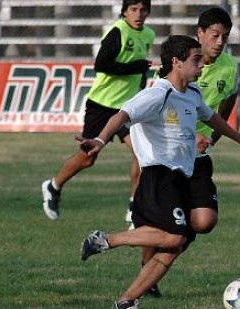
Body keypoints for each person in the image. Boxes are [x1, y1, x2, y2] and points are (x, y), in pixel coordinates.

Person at [76, 35, 240, 309]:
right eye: (196, 59)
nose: (202, 64)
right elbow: (121, 116)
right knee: (173, 236)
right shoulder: (158, 93)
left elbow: (211, 117)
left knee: (171, 249)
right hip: (158, 175)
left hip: (181, 177)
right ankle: (105, 240)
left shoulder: (191, 94)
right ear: (176, 63)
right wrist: (99, 140)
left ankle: (126, 302)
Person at [138, 7, 239, 298]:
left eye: (225, 37)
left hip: (198, 156)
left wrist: (214, 137)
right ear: (200, 34)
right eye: (215, 35)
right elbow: (155, 109)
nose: (220, 42)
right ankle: (148, 272)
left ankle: (162, 251)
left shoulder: (230, 67)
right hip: (168, 154)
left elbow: (227, 102)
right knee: (162, 220)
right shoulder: (177, 67)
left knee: (203, 222)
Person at [41, 0, 155, 220]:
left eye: (143, 10)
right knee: (88, 158)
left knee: (142, 153)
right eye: (133, 9)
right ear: (124, 11)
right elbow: (101, 64)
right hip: (101, 105)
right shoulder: (117, 32)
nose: (138, 14)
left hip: (126, 108)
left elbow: (140, 69)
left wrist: (141, 86)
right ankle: (53, 187)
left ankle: (134, 208)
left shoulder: (148, 34)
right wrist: (137, 67)